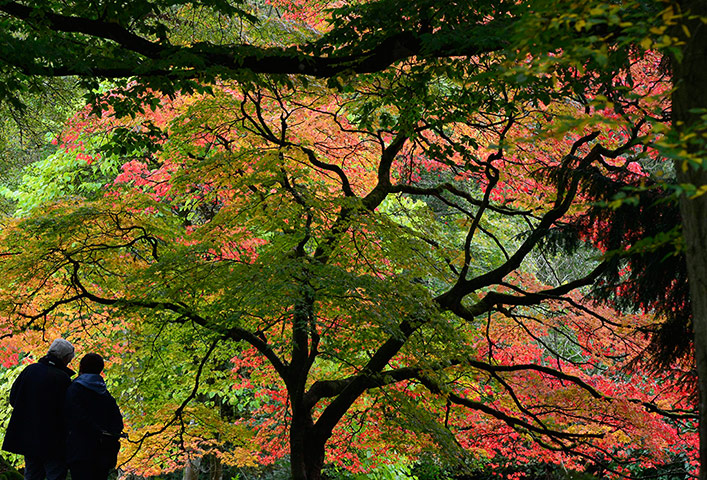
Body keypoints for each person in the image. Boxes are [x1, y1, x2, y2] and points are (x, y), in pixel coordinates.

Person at [2, 338, 75, 480]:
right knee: (55, 475)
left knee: (32, 474)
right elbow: (69, 412)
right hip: (54, 440)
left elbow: (13, 399)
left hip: (29, 437)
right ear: (65, 358)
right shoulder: (63, 379)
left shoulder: (30, 370)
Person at [64, 353, 123, 480]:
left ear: (81, 367)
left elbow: (75, 415)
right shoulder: (104, 393)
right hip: (103, 453)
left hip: (80, 451)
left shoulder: (74, 389)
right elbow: (118, 422)